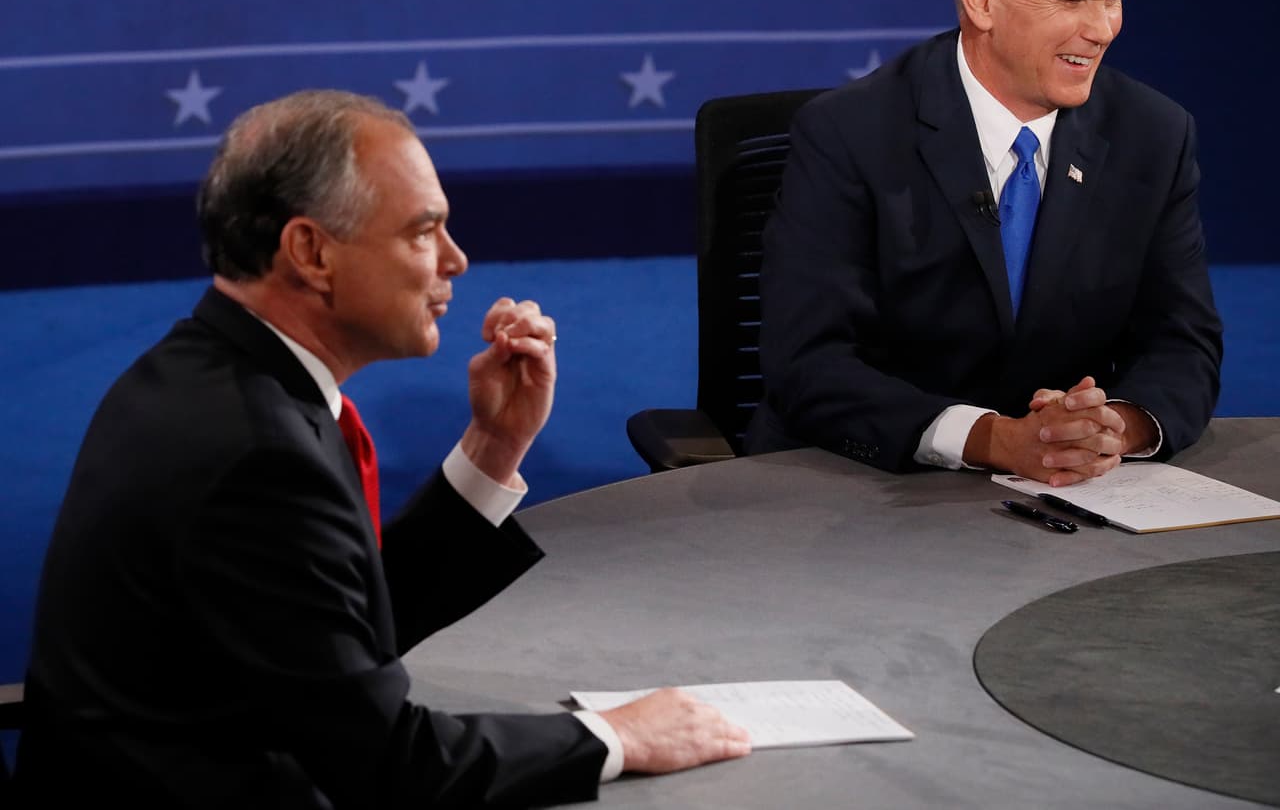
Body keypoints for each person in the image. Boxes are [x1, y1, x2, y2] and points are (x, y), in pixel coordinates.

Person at [15, 90, 750, 807]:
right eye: (422, 232)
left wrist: (493, 446)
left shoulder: (203, 375)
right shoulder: (254, 454)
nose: (456, 261)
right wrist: (613, 739)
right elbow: (391, 769)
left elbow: (336, 629)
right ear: (310, 251)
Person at [746, 0, 1222, 487]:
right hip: (868, 487)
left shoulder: (1153, 135)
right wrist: (994, 439)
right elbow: (808, 361)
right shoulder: (851, 134)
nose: (1103, 28)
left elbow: (1183, 341)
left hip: (1064, 494)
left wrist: (1113, 425)